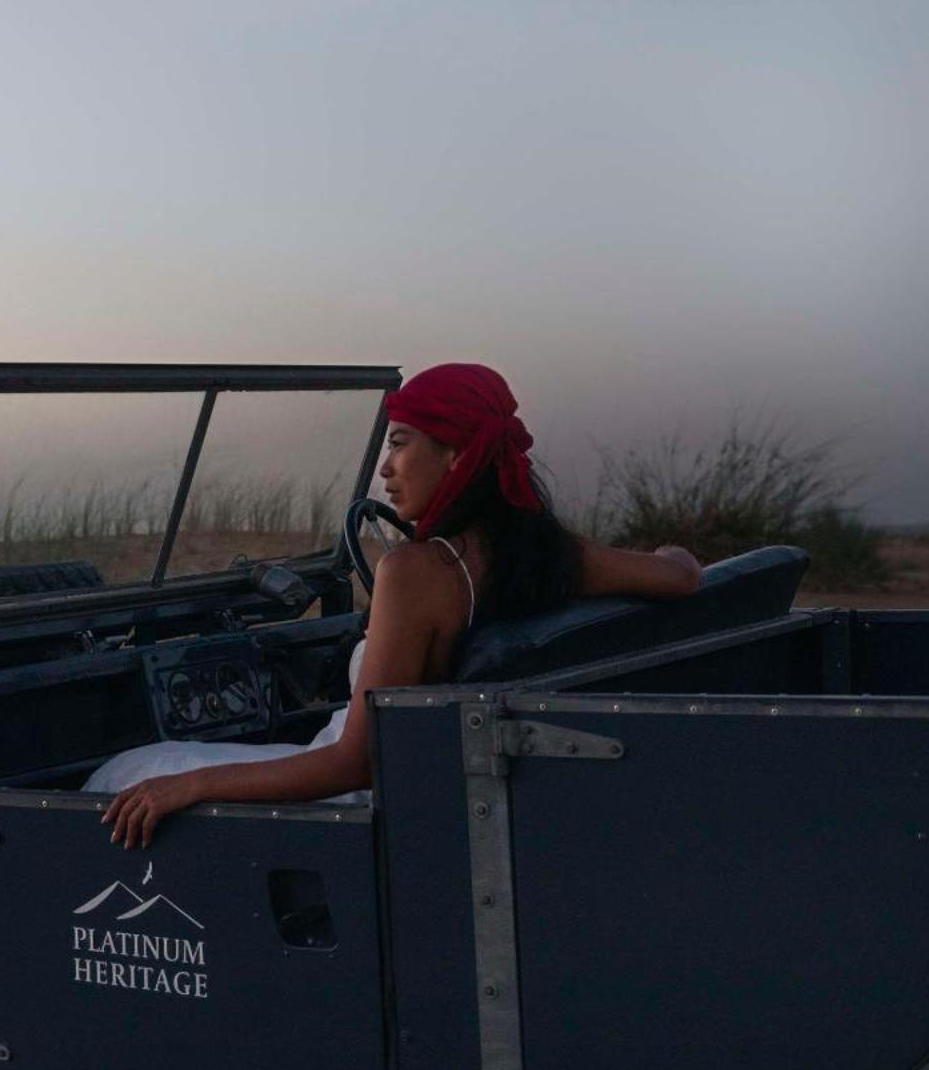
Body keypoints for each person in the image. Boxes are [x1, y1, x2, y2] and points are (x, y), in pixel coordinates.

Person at [94, 362, 701, 849]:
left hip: (366, 799)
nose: (384, 468)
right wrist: (672, 548)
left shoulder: (414, 571)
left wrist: (191, 784)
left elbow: (353, 763)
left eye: (401, 444)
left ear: (458, 456)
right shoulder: (554, 555)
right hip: (449, 784)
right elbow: (682, 577)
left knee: (126, 772)